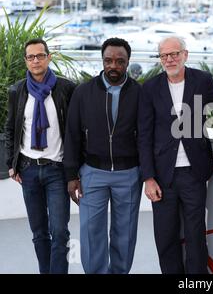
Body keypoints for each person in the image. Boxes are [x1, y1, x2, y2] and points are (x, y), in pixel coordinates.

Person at [138, 36, 213, 274]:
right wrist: (148, 177)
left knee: (196, 235)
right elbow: (144, 136)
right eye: (164, 55)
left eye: (174, 54)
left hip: (194, 173)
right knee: (165, 237)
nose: (170, 59)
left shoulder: (202, 81)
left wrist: (210, 130)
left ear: (185, 55)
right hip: (161, 176)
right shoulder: (150, 88)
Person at [64, 38, 141, 274]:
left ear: (127, 63)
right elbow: (72, 135)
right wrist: (71, 175)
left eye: (120, 61)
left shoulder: (140, 93)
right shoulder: (83, 92)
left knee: (125, 233)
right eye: (108, 61)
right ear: (102, 61)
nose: (113, 66)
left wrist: (147, 174)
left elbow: (147, 136)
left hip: (128, 174)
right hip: (92, 173)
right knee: (91, 232)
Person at [4, 38, 76, 274]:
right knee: (38, 232)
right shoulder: (17, 90)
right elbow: (11, 129)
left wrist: (75, 168)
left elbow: (75, 130)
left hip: (57, 170)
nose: (35, 61)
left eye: (40, 56)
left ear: (48, 57)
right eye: (31, 57)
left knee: (60, 231)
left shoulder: (66, 88)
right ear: (26, 60)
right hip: (28, 169)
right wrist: (11, 165)